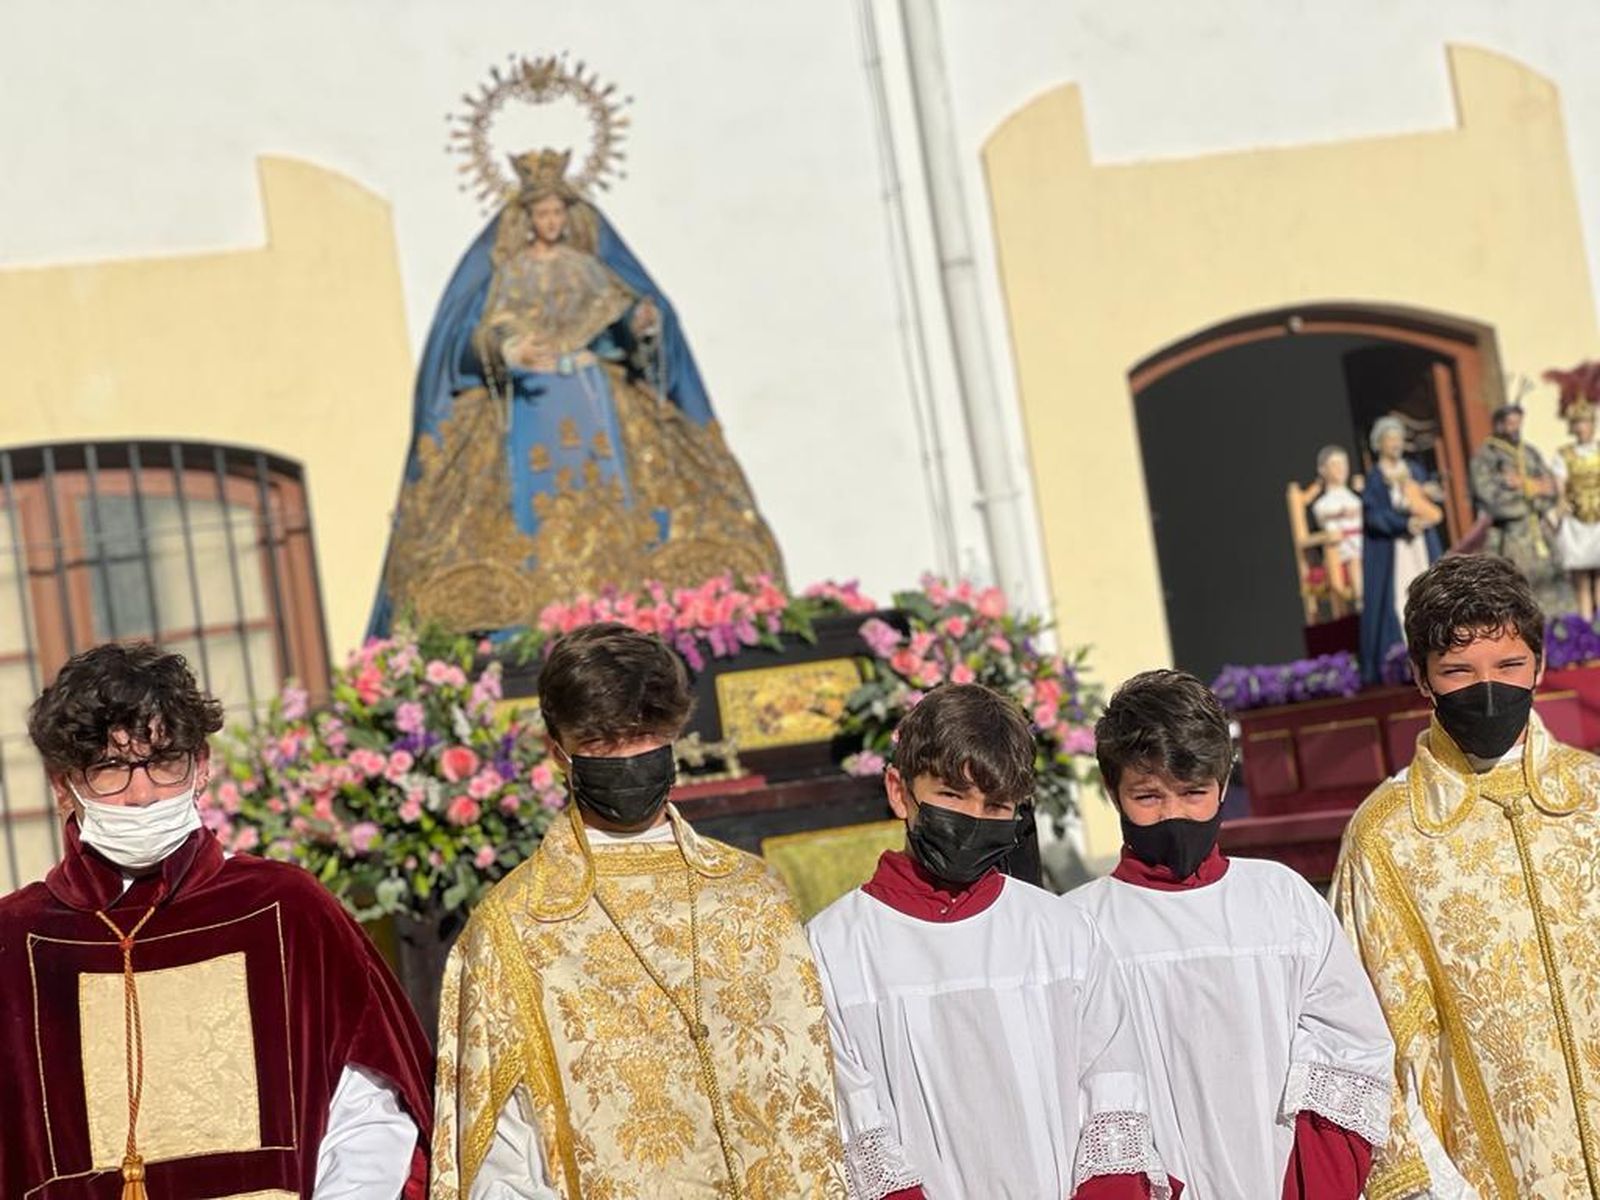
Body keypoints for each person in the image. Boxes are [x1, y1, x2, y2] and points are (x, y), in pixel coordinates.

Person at [0, 641, 434, 1198]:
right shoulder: (17, 942)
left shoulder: (287, 909)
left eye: (163, 763)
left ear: (201, 767)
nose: (141, 794)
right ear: (65, 786)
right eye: (110, 768)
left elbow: (368, 1110)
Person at [431, 622, 846, 1199]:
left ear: (675, 735)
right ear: (559, 753)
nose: (628, 758)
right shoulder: (515, 929)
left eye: (645, 736)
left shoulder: (752, 895)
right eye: (603, 745)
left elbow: (824, 1092)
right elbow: (500, 1155)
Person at [370, 147, 784, 636]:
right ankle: (533, 609)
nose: (550, 221)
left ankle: (638, 599)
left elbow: (621, 317)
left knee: (650, 488)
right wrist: (509, 348)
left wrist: (643, 323)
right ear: (526, 220)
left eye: (557, 211)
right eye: (541, 213)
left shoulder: (586, 266)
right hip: (532, 409)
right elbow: (479, 332)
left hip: (596, 400)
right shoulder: (511, 273)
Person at [807, 683, 1172, 1199]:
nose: (973, 821)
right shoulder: (834, 949)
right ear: (898, 790)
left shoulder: (1060, 934)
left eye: (996, 806)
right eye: (952, 796)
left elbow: (1112, 1088)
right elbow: (854, 1121)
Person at [1061, 670, 1393, 1199]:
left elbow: (1348, 1054)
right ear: (1112, 791)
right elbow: (1080, 1099)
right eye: (1147, 797)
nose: (1173, 815)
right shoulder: (1076, 928)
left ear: (1224, 783)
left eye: (1194, 793)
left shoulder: (1282, 902)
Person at [1332, 554, 1600, 1198]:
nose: (1488, 687)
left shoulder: (1593, 797)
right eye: (1458, 670)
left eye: (1508, 665)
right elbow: (1372, 1035)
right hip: (1486, 1173)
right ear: (1423, 681)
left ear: (1538, 663)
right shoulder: (1388, 837)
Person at [1361, 415, 1443, 684]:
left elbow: (1429, 496)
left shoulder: (1414, 470)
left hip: (1419, 545)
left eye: (1398, 438)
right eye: (1389, 439)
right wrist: (1403, 523)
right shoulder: (1376, 478)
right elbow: (1374, 516)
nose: (1395, 443)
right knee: (1399, 597)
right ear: (1379, 444)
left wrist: (1430, 494)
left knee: (1427, 591)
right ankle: (1400, 657)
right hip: (1395, 550)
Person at [1469, 402, 1573, 615]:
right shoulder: (1486, 457)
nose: (1515, 428)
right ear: (1498, 425)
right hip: (1509, 536)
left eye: (1518, 423)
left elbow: (1550, 489)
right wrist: (1530, 493)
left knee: (1557, 589)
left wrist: (1529, 487)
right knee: (1519, 594)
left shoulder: (1530, 453)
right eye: (1510, 423)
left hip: (1541, 534)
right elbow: (1489, 499)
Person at [1551, 395, 1600, 619]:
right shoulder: (1564, 455)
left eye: (1586, 422)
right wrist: (1560, 509)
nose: (1582, 428)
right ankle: (1587, 631)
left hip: (1599, 518)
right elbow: (1560, 490)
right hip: (1577, 522)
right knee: (1581, 579)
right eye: (1578, 423)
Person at [1310, 444, 1364, 605]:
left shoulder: (1353, 496)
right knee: (1354, 559)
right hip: (1341, 548)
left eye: (1343, 464)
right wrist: (1339, 513)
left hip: (1362, 542)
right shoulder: (1323, 502)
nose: (1340, 469)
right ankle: (1362, 600)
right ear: (1322, 470)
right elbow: (1321, 513)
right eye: (1334, 464)